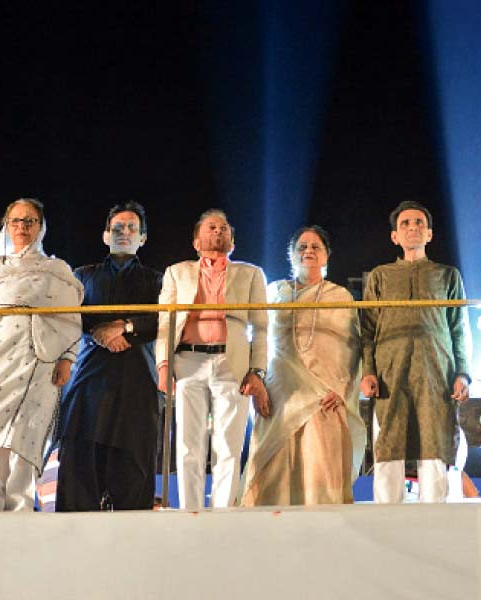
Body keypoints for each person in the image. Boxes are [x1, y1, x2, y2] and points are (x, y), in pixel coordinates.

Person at [0, 198, 83, 511]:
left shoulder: (56, 271)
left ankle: (19, 512)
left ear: (41, 227)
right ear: (6, 226)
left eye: (30, 221)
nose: (22, 227)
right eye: (16, 221)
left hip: (38, 365)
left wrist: (67, 359)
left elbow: (69, 319)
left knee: (25, 437)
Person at [241, 226, 365, 505]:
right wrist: (257, 380)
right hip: (278, 394)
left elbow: (354, 350)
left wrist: (342, 392)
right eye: (302, 247)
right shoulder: (275, 292)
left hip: (326, 396)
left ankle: (323, 540)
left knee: (320, 471)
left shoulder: (340, 296)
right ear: (291, 255)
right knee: (274, 474)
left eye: (315, 247)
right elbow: (257, 337)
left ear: (326, 255)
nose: (308, 251)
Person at [156, 209, 268, 509]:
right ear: (196, 240)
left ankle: (222, 512)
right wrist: (164, 366)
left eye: (224, 228)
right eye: (211, 227)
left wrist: (257, 370)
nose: (218, 231)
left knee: (228, 445)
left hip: (231, 361)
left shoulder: (251, 273)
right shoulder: (176, 272)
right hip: (188, 361)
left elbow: (261, 326)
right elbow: (165, 323)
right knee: (188, 443)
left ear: (232, 241)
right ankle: (190, 510)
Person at [55, 202, 163, 511]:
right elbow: (70, 317)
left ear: (143, 238)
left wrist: (124, 328)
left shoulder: (157, 281)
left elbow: (162, 321)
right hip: (88, 384)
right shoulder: (82, 276)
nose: (124, 233)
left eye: (132, 228)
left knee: (133, 476)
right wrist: (99, 333)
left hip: (137, 386)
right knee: (78, 473)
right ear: (105, 236)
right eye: (117, 228)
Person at [361, 201, 471, 503]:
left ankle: (436, 525)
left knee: (434, 445)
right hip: (388, 373)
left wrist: (463, 373)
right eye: (406, 223)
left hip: (437, 373)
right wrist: (368, 370)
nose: (413, 228)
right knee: (388, 445)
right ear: (394, 236)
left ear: (430, 234)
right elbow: (367, 330)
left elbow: (459, 328)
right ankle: (387, 524)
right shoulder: (380, 276)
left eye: (419, 222)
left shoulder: (447, 276)